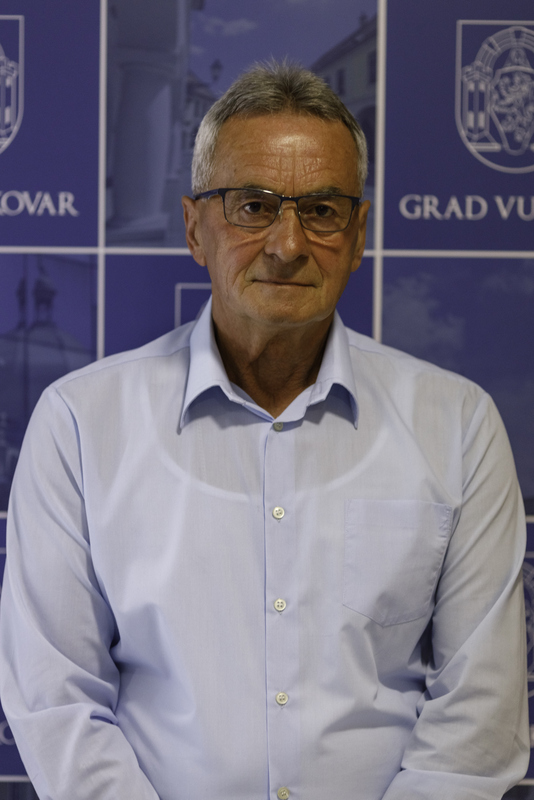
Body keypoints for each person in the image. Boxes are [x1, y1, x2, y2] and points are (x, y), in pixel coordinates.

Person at [0, 61, 528, 800]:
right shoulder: (80, 424)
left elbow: (481, 714)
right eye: (253, 206)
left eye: (322, 209)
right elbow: (57, 699)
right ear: (195, 228)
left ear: (359, 234)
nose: (287, 244)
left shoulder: (459, 424)